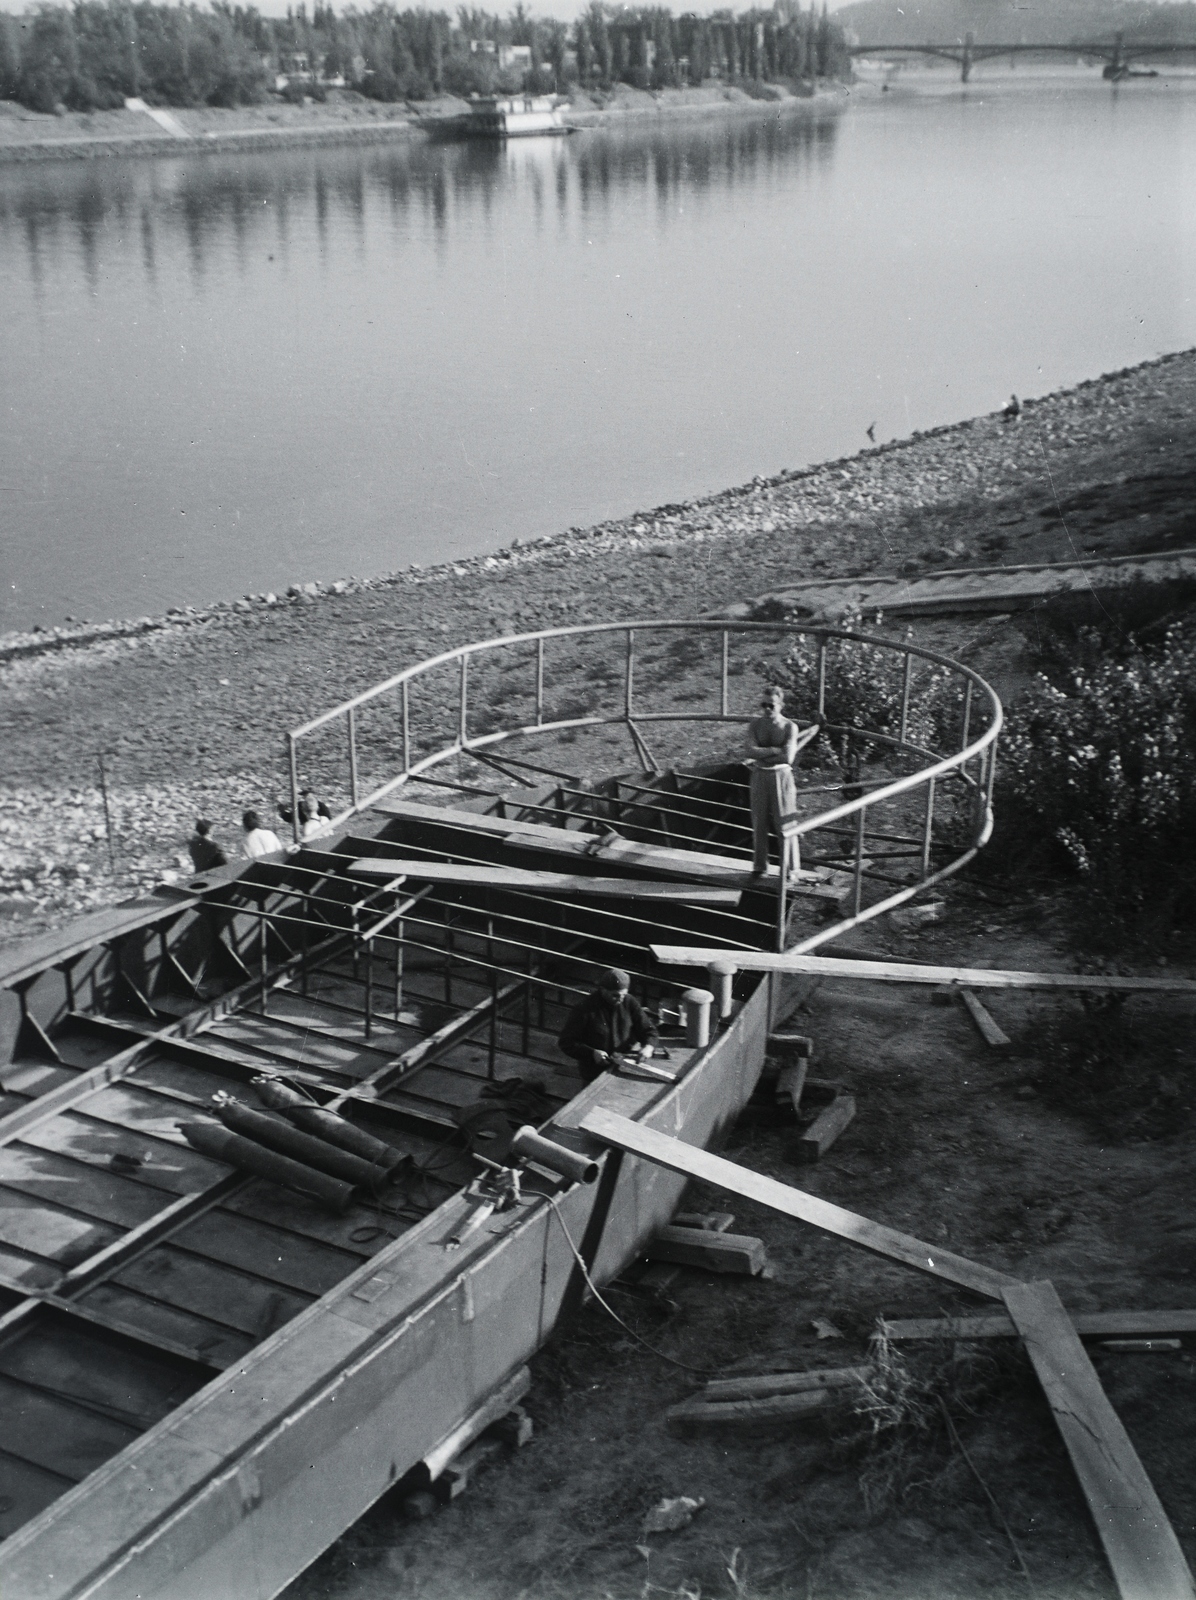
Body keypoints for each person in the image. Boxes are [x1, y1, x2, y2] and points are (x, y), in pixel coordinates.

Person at [558, 968, 657, 1085]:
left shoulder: (629, 1002)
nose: (620, 999)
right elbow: (566, 1042)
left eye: (623, 995)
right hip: (595, 1073)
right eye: (615, 995)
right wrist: (592, 1053)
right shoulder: (584, 1009)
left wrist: (648, 1046)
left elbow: (649, 1030)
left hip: (624, 1067)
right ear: (602, 990)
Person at [744, 685, 801, 878]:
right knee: (759, 822)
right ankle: (760, 867)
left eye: (771, 705)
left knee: (785, 823)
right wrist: (775, 751)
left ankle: (790, 869)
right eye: (764, 705)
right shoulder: (755, 725)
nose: (767, 709)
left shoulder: (789, 727)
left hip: (781, 777)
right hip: (760, 775)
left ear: (781, 705)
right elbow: (749, 751)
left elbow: (788, 758)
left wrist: (763, 754)